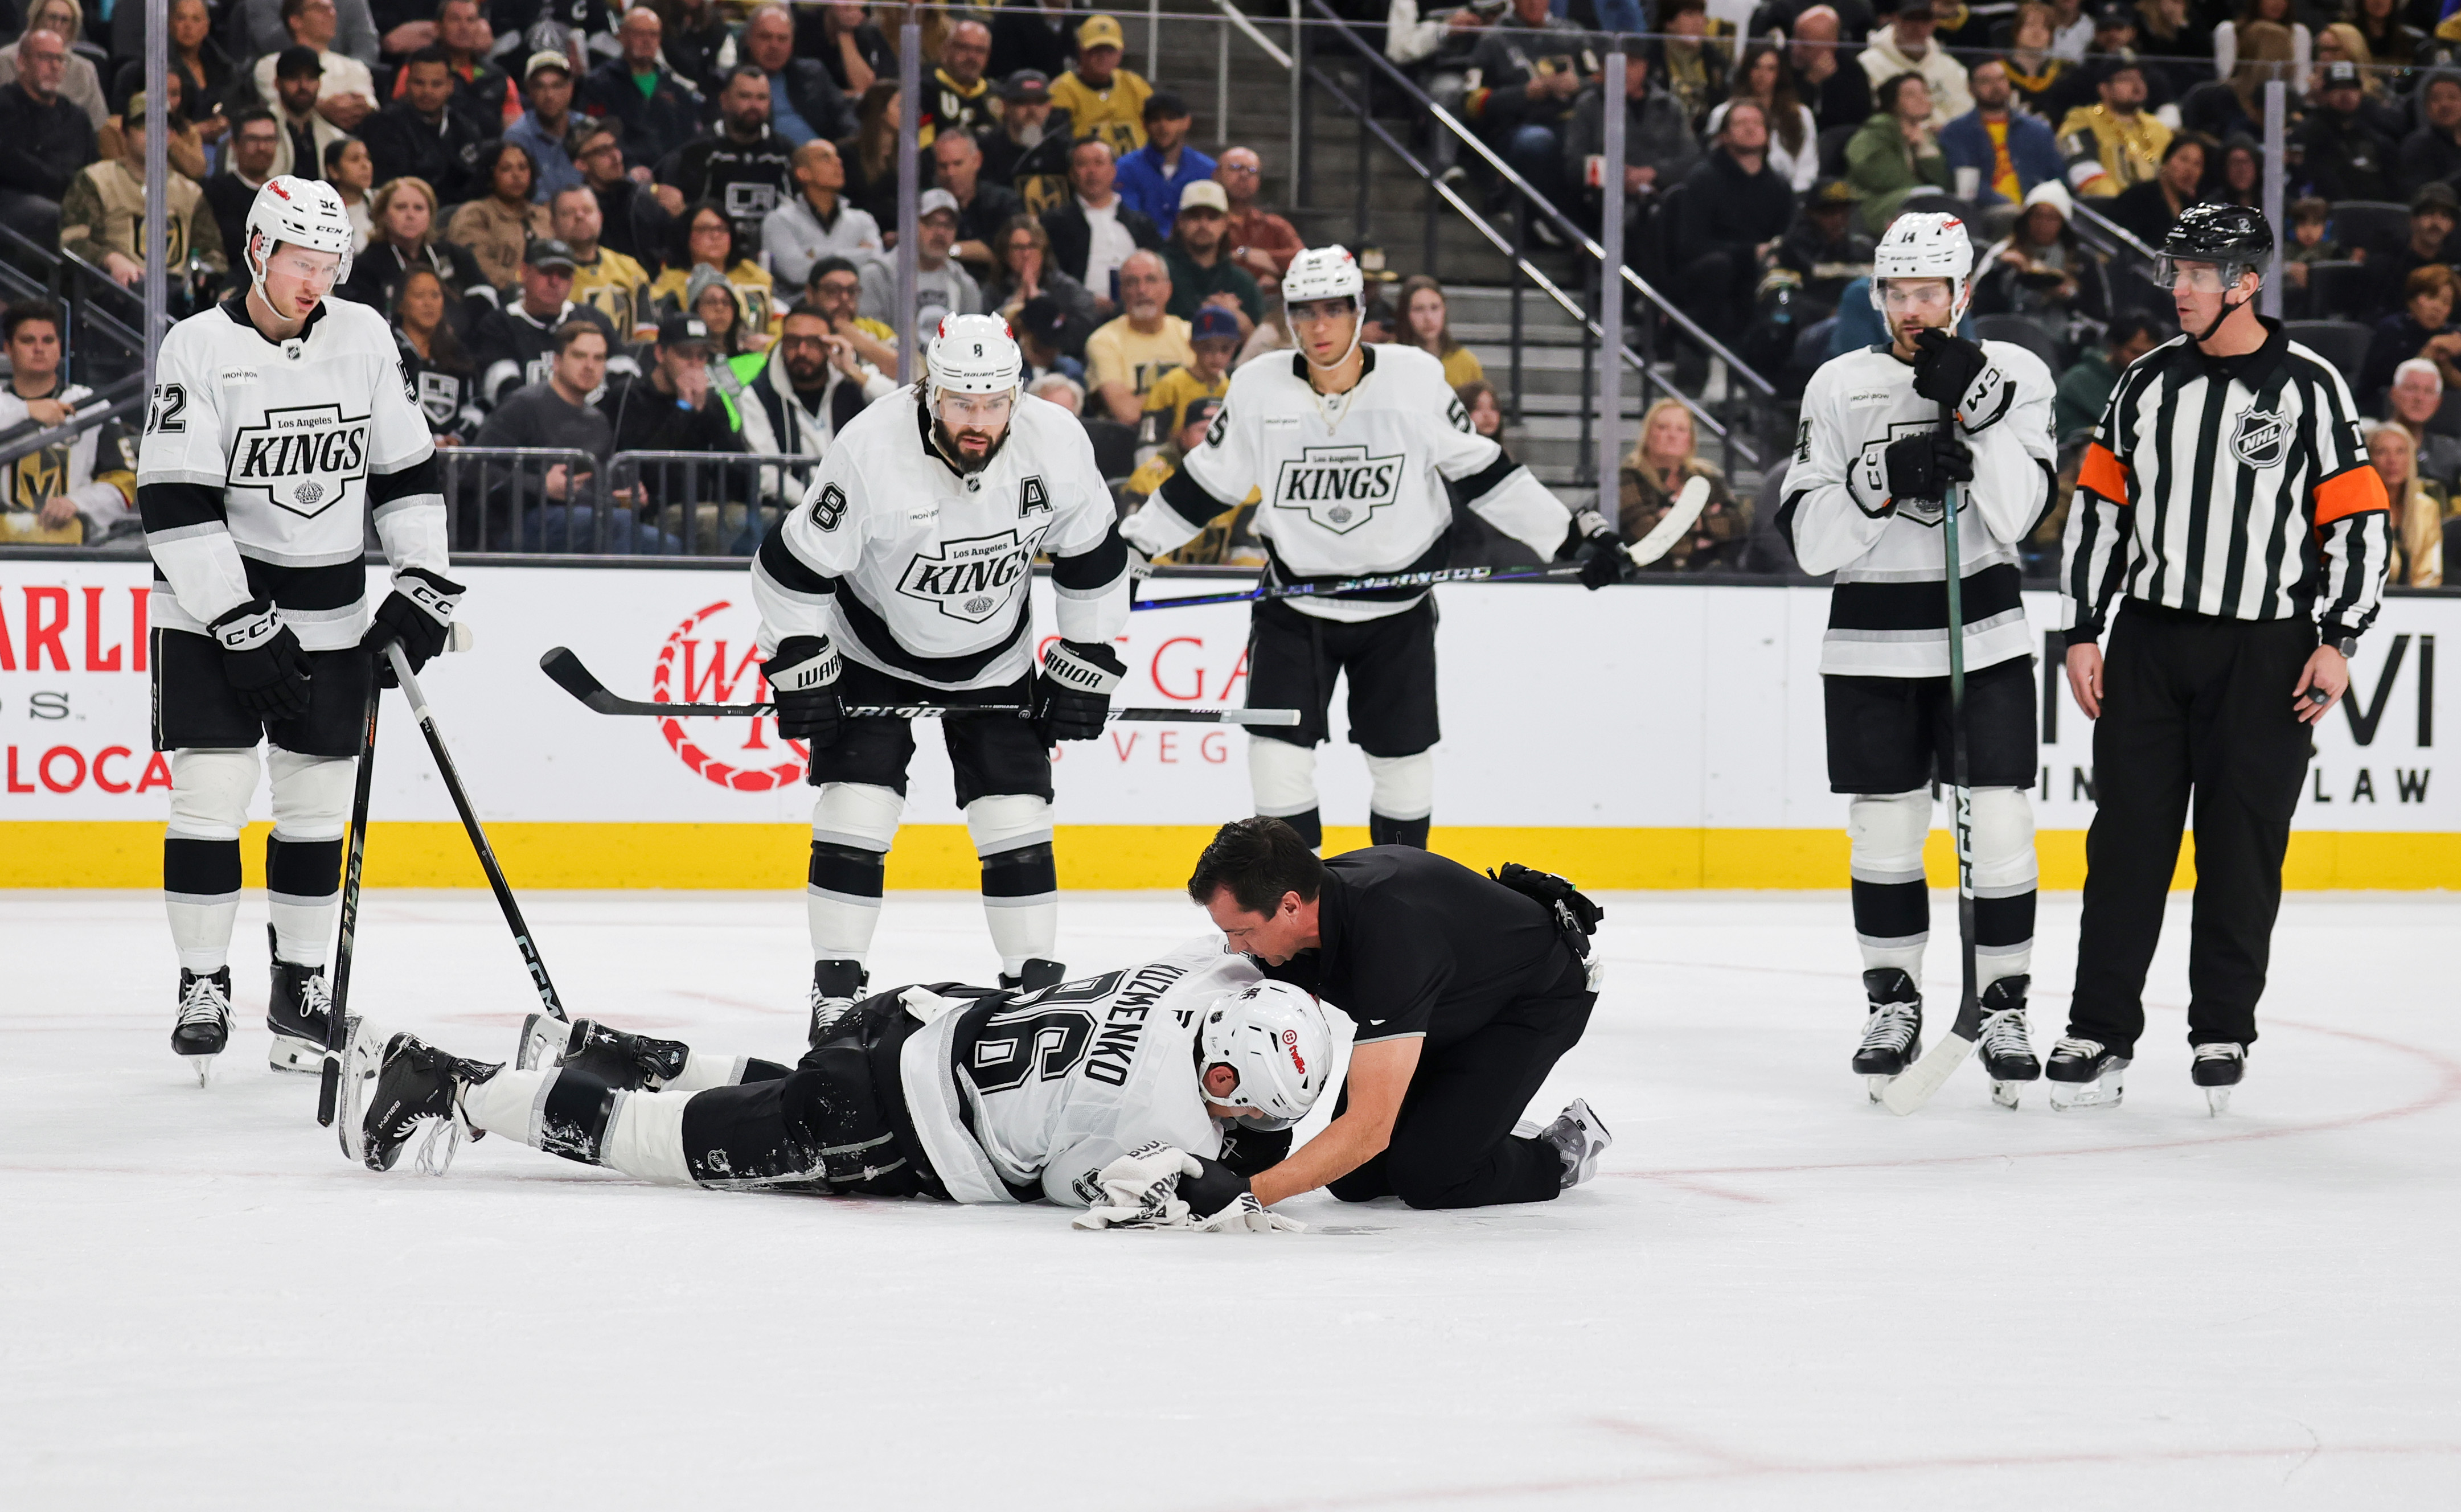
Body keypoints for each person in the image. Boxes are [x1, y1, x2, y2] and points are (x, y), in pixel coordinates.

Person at [2060, 208, 2395, 1116]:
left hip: (2267, 649)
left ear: (2244, 283)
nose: (2178, 289)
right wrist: (2082, 627)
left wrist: (2340, 636)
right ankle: (2097, 1029)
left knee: (2241, 848)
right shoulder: (2142, 384)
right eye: (2175, 273)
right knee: (2125, 843)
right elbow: (2099, 511)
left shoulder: (2312, 389)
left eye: (2196, 275)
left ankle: (2221, 1028)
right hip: (2150, 644)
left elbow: (2359, 521)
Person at [1117, 247, 1618, 849]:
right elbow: (1206, 484)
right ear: (1287, 316)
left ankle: (1394, 903)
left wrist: (1568, 536)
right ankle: (1295, 919)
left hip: (1397, 610)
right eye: (1304, 312)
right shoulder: (1256, 387)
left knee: (1400, 761)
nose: (1319, 326)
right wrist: (1135, 548)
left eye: (1334, 310)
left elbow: (1484, 472)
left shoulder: (1415, 378)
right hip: (1293, 603)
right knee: (1275, 757)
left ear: (1359, 311)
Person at [339, 937, 1326, 1238]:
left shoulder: (1218, 974)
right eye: (1237, 1096)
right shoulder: (1152, 1114)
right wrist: (1210, 1183)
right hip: (886, 1125)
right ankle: (447, 1085)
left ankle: (614, 1049)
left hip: (913, 1020)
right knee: (655, 1146)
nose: (1237, 1116)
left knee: (770, 1094)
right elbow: (1077, 1189)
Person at [135, 175, 457, 1081]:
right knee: (211, 797)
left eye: (328, 264)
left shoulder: (361, 335)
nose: (313, 281)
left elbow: (404, 471)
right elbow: (174, 498)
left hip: (328, 613)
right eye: (297, 263)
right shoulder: (196, 346)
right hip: (208, 616)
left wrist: (422, 580)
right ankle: (203, 983)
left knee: (315, 812)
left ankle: (300, 993)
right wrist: (237, 617)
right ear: (255, 252)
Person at [749, 313, 1134, 1032]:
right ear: (930, 390)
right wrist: (797, 655)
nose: (978, 421)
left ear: (1015, 396)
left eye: (993, 404)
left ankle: (1032, 992)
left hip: (995, 656)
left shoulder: (1056, 444)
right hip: (872, 652)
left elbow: (1093, 559)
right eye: (961, 402)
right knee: (857, 808)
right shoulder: (870, 447)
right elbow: (789, 566)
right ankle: (835, 989)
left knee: (1014, 815)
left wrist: (1087, 658)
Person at [1776, 211, 2058, 1102]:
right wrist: (1883, 477)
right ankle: (1890, 1001)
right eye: (1895, 292)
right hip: (1869, 643)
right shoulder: (1835, 386)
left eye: (1928, 292)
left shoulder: (2015, 373)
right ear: (1876, 293)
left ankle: (2002, 1004)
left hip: (1984, 638)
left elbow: (2020, 516)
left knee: (2001, 825)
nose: (1911, 308)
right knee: (1885, 831)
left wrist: (1975, 411)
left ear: (1962, 291)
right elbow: (1810, 541)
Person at [1180, 819, 1612, 1210]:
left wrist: (1247, 1195)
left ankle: (1557, 1152)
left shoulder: (1390, 937)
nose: (1236, 948)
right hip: (1443, 1004)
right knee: (1353, 1179)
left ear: (1291, 906)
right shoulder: (1294, 916)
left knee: (1431, 1178)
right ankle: (1470, 1121)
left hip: (1528, 1001)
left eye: (1241, 932)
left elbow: (1369, 1129)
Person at [470, 319, 668, 553]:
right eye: (579, 356)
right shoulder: (523, 405)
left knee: (668, 545)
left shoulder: (598, 421)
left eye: (599, 358)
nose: (589, 365)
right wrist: (541, 486)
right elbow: (475, 469)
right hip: (518, 521)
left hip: (584, 519)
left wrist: (627, 497)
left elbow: (597, 491)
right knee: (617, 525)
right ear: (557, 361)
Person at [598, 313, 746, 549]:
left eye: (701, 357)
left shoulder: (713, 404)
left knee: (769, 521)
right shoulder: (630, 396)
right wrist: (684, 409)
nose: (695, 365)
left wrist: (706, 414)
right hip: (655, 512)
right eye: (685, 355)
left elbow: (741, 471)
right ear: (660, 354)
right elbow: (643, 470)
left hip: (713, 506)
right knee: (713, 525)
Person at [61, 91, 228, 292]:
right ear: (125, 133)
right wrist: (110, 259)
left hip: (176, 289)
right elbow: (73, 241)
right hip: (118, 289)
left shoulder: (190, 192)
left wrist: (204, 273)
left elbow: (213, 253)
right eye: (144, 126)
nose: (154, 134)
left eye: (163, 127)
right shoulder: (96, 180)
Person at [0, 301, 133, 545]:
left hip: (78, 551)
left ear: (60, 347)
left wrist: (77, 503)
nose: (39, 349)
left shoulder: (92, 406)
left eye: (48, 340)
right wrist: (26, 410)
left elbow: (123, 483)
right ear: (8, 348)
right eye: (28, 341)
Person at [1674, 100, 1795, 348]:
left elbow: (1786, 235)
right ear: (1724, 136)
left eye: (1757, 123)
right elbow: (1692, 244)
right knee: (1720, 268)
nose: (1751, 129)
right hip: (1712, 271)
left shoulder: (1779, 186)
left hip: (1763, 271)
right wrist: (1750, 253)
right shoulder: (1703, 180)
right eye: (1741, 123)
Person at [1462, 0, 1594, 219]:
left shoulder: (1574, 34)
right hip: (1517, 127)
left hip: (1572, 124)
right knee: (1536, 141)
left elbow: (1600, 80)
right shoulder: (1494, 38)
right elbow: (1471, 102)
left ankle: (1583, 222)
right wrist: (1524, 94)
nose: (1534, 3)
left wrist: (1579, 85)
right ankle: (1537, 218)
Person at [657, 65, 795, 257]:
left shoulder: (785, 153)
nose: (754, 105)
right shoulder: (696, 152)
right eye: (745, 97)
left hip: (778, 255)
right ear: (724, 101)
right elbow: (685, 217)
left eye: (761, 98)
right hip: (714, 255)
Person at [733, 302, 896, 465]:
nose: (802, 351)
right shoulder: (758, 394)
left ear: (829, 344)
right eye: (793, 341)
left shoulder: (852, 380)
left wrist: (852, 371)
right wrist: (814, 492)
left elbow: (903, 406)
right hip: (792, 491)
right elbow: (768, 474)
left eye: (813, 342)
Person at [469, 236, 624, 406]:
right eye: (546, 272)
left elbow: (625, 384)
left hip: (592, 425)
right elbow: (504, 392)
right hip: (526, 428)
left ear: (572, 281)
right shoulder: (499, 325)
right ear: (525, 272)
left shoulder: (595, 319)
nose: (554, 282)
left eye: (563, 275)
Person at [1561, 50, 1698, 232]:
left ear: (1645, 66)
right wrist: (1618, 175)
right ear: (1603, 68)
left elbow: (1692, 158)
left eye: (1632, 64)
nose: (1624, 71)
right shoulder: (1589, 105)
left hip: (1663, 198)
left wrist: (1654, 173)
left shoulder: (1669, 105)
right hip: (1604, 203)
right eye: (1618, 64)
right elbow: (1574, 164)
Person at [1972, 180, 2111, 350]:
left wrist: (2069, 296)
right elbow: (1978, 307)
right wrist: (1999, 271)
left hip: (2065, 346)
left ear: (2063, 223)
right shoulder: (2004, 253)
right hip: (2009, 339)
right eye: (2037, 216)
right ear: (2026, 218)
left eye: (2052, 218)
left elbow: (2101, 316)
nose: (2043, 224)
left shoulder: (2083, 260)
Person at [1619, 399, 1746, 571]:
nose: (1672, 435)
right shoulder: (1629, 476)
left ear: (1690, 439)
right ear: (1648, 435)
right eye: (1663, 427)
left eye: (1681, 429)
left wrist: (1693, 522)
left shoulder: (1707, 476)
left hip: (1704, 576)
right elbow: (1647, 534)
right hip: (1646, 576)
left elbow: (1737, 524)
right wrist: (1701, 541)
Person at [338, 174, 491, 314]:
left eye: (419, 208)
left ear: (430, 215)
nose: (410, 215)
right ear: (383, 215)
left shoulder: (454, 255)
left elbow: (485, 293)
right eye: (401, 207)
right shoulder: (364, 268)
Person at [0, 23, 95, 245]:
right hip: (15, 203)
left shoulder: (77, 117)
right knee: (54, 217)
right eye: (45, 58)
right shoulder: (4, 106)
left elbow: (92, 168)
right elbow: (11, 164)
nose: (54, 66)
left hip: (70, 201)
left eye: (60, 59)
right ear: (22, 62)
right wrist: (65, 187)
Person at [579, 6, 703, 170]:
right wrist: (630, 166)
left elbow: (689, 141)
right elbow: (596, 133)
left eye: (654, 35)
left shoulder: (677, 90)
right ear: (622, 36)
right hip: (621, 173)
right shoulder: (598, 84)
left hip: (671, 176)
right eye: (639, 34)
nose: (647, 41)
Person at [1043, 135, 1163, 305]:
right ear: (1071, 175)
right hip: (1079, 312)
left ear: (1113, 171)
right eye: (1083, 164)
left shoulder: (1141, 224)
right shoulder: (1054, 223)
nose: (1092, 171)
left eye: (1099, 163)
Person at [361, 48, 488, 207]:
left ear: (450, 86)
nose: (427, 92)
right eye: (419, 83)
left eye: (436, 84)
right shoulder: (383, 125)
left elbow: (475, 185)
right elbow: (391, 188)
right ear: (407, 83)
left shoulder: (465, 128)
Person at [853, 188, 982, 334]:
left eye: (948, 225)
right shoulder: (877, 276)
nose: (941, 232)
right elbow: (871, 340)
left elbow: (970, 345)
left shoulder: (965, 285)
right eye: (931, 223)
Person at [1084, 249, 1190, 424]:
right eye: (1132, 283)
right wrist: (1183, 393)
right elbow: (1127, 413)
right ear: (1122, 292)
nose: (1142, 290)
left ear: (1168, 289)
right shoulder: (1104, 341)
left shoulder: (1189, 335)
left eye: (1151, 280)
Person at [1941, 58, 2064, 207]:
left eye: (2001, 79)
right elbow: (1967, 186)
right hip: (1985, 212)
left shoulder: (2039, 131)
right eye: (1986, 81)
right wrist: (2010, 206)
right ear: (1970, 88)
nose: (1996, 86)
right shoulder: (1956, 132)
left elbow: (2058, 178)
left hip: (2037, 210)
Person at [765, 138, 885, 289]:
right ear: (804, 174)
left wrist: (816, 253)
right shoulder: (779, 220)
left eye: (837, 157)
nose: (838, 163)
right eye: (826, 158)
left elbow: (876, 265)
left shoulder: (863, 220)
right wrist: (858, 254)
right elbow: (794, 273)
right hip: (801, 307)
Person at [739, 3, 858, 153]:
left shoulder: (813, 74)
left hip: (823, 161)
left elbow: (844, 117)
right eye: (765, 37)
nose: (774, 46)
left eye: (783, 39)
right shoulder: (732, 82)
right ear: (748, 40)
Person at [250, 0, 379, 135]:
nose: (331, 14)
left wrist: (362, 108)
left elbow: (369, 105)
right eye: (320, 9)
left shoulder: (355, 68)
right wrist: (323, 108)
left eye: (332, 9)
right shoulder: (270, 65)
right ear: (296, 21)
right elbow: (282, 106)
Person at [1708, 40, 1819, 194]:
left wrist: (1793, 196)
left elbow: (1807, 166)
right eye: (1756, 67)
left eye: (1771, 69)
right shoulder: (1723, 113)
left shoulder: (1800, 115)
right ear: (1747, 71)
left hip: (1790, 195)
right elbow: (1715, 162)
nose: (1762, 75)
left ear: (1780, 74)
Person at [1847, 72, 1951, 234]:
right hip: (1875, 206)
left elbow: (1942, 181)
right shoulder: (1874, 133)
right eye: (1910, 95)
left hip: (1914, 204)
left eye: (1925, 92)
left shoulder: (1926, 136)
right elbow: (1877, 176)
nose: (1921, 98)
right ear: (1893, 102)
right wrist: (1921, 189)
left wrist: (1924, 149)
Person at [552, 181, 657, 342]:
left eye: (587, 210)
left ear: (600, 217)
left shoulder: (631, 269)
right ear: (553, 224)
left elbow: (647, 336)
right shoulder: (545, 275)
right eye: (568, 213)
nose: (580, 217)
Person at [392, 267, 484, 448]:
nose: (429, 303)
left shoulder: (458, 354)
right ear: (401, 304)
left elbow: (475, 405)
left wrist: (458, 437)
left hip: (452, 464)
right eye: (419, 296)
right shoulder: (388, 351)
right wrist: (427, 441)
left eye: (435, 295)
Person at [447, 139, 552, 293]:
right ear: (490, 175)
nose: (517, 175)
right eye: (506, 169)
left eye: (523, 168)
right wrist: (524, 286)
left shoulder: (543, 215)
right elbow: (477, 265)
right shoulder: (475, 214)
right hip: (498, 298)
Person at [983, 214, 1101, 351]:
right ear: (1006, 254)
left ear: (1043, 251)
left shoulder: (1066, 287)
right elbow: (985, 337)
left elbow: (1087, 330)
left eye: (1032, 246)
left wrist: (1039, 301)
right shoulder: (993, 290)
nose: (1026, 254)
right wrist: (1018, 297)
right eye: (1018, 248)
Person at [1137, 304, 1240, 457]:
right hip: (1172, 461)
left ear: (1235, 347)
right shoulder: (1170, 384)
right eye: (1207, 348)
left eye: (1225, 349)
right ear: (1192, 345)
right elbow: (1149, 441)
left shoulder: (1230, 389)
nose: (1217, 357)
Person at [2057, 56, 2169, 198]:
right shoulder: (2082, 119)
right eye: (2126, 79)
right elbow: (2082, 168)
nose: (2136, 85)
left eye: (2140, 78)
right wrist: (2119, 204)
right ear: (2104, 89)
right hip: (2106, 207)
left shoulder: (2158, 127)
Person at [1160, 180, 1261, 332]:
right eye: (1195, 217)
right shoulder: (1158, 273)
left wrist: (1238, 319)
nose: (1203, 225)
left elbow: (1264, 347)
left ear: (1226, 223)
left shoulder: (1242, 283)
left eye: (1212, 217)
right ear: (1180, 222)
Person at [1049, 14, 1153, 159]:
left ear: (1121, 52)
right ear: (1081, 51)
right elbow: (1059, 143)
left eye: (1110, 50)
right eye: (1095, 50)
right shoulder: (1063, 89)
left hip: (1136, 172)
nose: (1103, 56)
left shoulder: (1134, 84)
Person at [1772, 176, 1875, 322]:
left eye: (1844, 212)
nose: (1839, 220)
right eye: (1830, 212)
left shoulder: (1861, 248)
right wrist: (1828, 313)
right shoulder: (1793, 251)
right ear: (1811, 214)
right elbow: (1783, 299)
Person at [2295, 60, 2397, 204]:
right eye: (2337, 88)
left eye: (2351, 88)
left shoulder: (2376, 132)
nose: (2345, 94)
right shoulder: (2309, 133)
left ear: (2361, 92)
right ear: (2324, 94)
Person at [1114, 89, 1215, 235]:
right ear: (1144, 125)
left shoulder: (1207, 170)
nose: (1163, 126)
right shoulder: (1124, 169)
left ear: (1186, 122)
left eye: (1171, 118)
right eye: (1155, 119)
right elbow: (1126, 219)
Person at [1858, 1, 1972, 128]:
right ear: (1896, 20)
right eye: (1910, 19)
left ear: (1934, 23)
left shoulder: (1951, 67)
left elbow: (1965, 112)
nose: (1918, 28)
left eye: (1925, 20)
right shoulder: (1867, 65)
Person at [2053, 310, 2160, 442]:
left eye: (2151, 353)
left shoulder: (2162, 380)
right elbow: (2065, 432)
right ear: (2114, 347)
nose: (2144, 360)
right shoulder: (2079, 382)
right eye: (2135, 352)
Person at [2361, 265, 2461, 406]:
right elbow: (2382, 386)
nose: (2437, 307)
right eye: (2431, 297)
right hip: (2382, 411)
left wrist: (2445, 364)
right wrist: (2429, 352)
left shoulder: (2453, 338)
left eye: (2446, 302)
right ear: (2412, 299)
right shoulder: (2391, 331)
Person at [408, 0, 514, 132]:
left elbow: (515, 133)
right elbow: (399, 118)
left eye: (470, 20)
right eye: (455, 19)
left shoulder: (498, 77)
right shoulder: (416, 69)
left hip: (489, 149)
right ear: (438, 27)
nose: (463, 27)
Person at [931, 128, 1025, 273]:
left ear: (977, 161)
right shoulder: (926, 205)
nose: (950, 173)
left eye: (958, 164)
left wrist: (949, 250)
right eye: (943, 166)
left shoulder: (1003, 202)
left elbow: (1004, 250)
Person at [985, 69, 1076, 215]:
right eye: (1022, 102)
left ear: (1049, 106)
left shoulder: (1064, 149)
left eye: (1040, 102)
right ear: (1006, 107)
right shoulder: (989, 150)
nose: (1032, 109)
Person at [2366, 422, 2446, 586]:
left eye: (2401, 451)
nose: (2392, 460)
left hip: (2415, 603)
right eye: (2382, 452)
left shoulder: (2426, 508)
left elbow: (2430, 572)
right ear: (2369, 459)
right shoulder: (2357, 510)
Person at [506, 52, 583, 204]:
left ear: (570, 89)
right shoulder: (516, 138)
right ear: (530, 91)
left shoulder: (587, 129)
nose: (549, 95)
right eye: (540, 87)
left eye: (557, 86)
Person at [1216, 146, 1302, 282]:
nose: (1244, 175)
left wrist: (1247, 254)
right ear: (1217, 174)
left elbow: (1304, 259)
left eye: (1252, 171)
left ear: (1259, 182)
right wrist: (1272, 266)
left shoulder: (1275, 226)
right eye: (1236, 167)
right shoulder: (1205, 222)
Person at [804, 254, 900, 374]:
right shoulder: (793, 330)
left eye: (852, 291)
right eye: (833, 291)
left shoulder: (877, 330)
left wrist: (860, 341)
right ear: (811, 294)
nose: (844, 298)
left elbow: (915, 373)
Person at [2106, 133, 2204, 250]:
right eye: (2184, 159)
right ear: (2166, 161)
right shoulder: (2138, 198)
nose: (2190, 170)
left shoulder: (2193, 210)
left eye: (2197, 164)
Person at [1791, 4, 1873, 132]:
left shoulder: (1852, 73)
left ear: (1831, 46)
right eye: (1795, 38)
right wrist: (1810, 83)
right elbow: (1787, 114)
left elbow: (1857, 122)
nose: (1796, 50)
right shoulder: (1781, 64)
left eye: (1806, 46)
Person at [919, 16, 998, 147]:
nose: (972, 57)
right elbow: (922, 149)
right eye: (964, 48)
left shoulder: (997, 96)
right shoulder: (925, 89)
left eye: (980, 50)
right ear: (947, 48)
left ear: (988, 55)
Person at [2382, 357, 2461, 487]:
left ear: (2438, 403)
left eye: (2429, 391)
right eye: (2412, 389)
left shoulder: (2452, 455)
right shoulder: (2368, 444)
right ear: (2393, 394)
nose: (2419, 398)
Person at [1395, 274, 1482, 388]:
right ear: (1405, 314)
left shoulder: (1466, 363)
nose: (1428, 318)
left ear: (1444, 311)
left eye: (1435, 308)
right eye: (1419, 309)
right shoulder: (1390, 360)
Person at [1653, 0, 1728, 129]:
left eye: (1701, 15)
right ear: (1669, 22)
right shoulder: (1651, 56)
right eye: (1689, 14)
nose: (1699, 22)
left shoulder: (1715, 60)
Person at [811, 1, 897, 99]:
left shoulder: (870, 35)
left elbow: (868, 93)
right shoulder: (804, 27)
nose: (850, 5)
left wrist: (845, 32)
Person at [2001, 2, 2074, 117]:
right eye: (2030, 25)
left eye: (2045, 27)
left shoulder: (2065, 73)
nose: (2037, 32)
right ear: (2017, 30)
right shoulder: (1999, 72)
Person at [2397, 68, 2461, 198]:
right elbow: (2421, 197)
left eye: (2453, 98)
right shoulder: (2416, 146)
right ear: (2426, 107)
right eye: (2436, 99)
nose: (2444, 105)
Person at [325, 135, 376, 252]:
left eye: (368, 158)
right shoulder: (324, 212)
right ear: (333, 171)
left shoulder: (381, 203)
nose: (366, 166)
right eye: (355, 159)